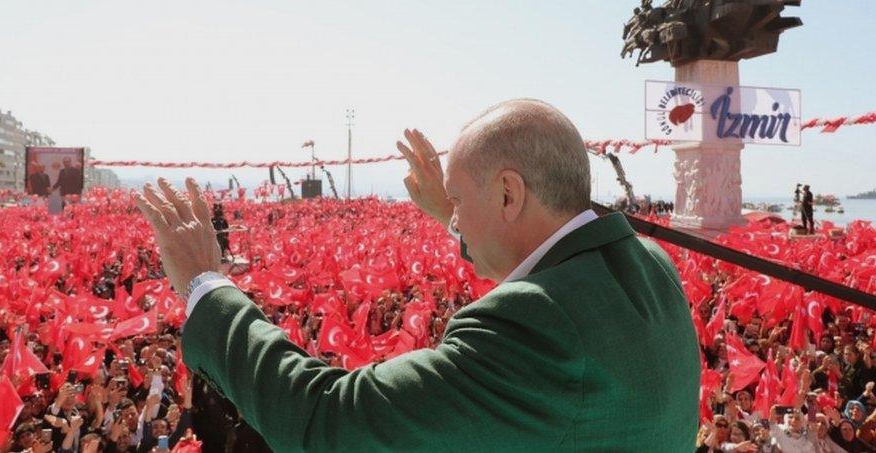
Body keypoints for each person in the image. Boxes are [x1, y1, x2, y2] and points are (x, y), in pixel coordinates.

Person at [133, 98, 700, 450]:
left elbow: (329, 417)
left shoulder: (532, 329)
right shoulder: (650, 267)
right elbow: (545, 266)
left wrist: (206, 284)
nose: (451, 215)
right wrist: (457, 215)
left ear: (509, 193)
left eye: (458, 200)